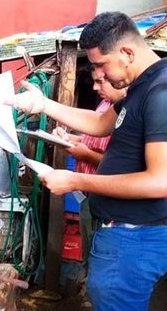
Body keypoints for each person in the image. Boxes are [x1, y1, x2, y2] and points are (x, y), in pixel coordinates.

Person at [7, 11, 167, 310]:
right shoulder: (143, 87)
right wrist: (43, 104)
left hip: (135, 239)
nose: (99, 75)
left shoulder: (165, 94)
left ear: (127, 52)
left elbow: (160, 182)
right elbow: (99, 123)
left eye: (100, 65)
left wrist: (76, 180)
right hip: (121, 236)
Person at [54, 70, 127, 263]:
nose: (95, 87)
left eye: (101, 82)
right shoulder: (105, 105)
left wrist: (85, 154)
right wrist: (71, 139)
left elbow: (123, 166)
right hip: (87, 192)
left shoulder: (129, 115)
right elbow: (95, 140)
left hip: (108, 198)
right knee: (89, 248)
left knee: (102, 254)